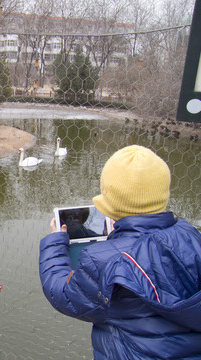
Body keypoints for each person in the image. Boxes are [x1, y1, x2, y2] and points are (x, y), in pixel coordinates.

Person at [39, 145, 201, 359]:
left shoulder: (103, 259)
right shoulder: (191, 235)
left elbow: (63, 295)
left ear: (110, 198)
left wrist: (54, 243)